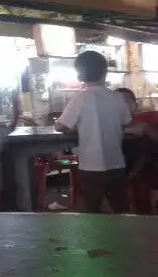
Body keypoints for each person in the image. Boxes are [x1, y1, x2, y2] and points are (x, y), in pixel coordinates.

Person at [55, 51, 132, 214]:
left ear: (80, 75)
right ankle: (127, 236)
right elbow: (127, 123)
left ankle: (93, 238)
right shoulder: (117, 98)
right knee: (121, 207)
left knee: (91, 210)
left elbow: (60, 126)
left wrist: (77, 126)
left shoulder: (81, 98)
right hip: (116, 162)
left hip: (91, 164)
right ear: (105, 72)